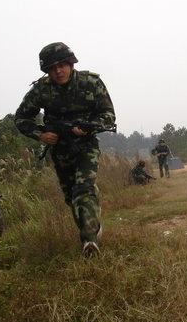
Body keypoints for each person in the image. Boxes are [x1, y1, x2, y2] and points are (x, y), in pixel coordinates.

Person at [15, 42, 116, 256]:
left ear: (71, 63)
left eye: (62, 65)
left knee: (83, 189)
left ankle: (89, 241)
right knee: (71, 197)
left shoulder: (91, 83)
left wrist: (88, 129)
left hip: (86, 146)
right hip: (60, 148)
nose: (58, 71)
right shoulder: (41, 89)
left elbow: (108, 116)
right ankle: (91, 223)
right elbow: (21, 117)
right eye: (52, 68)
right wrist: (40, 134)